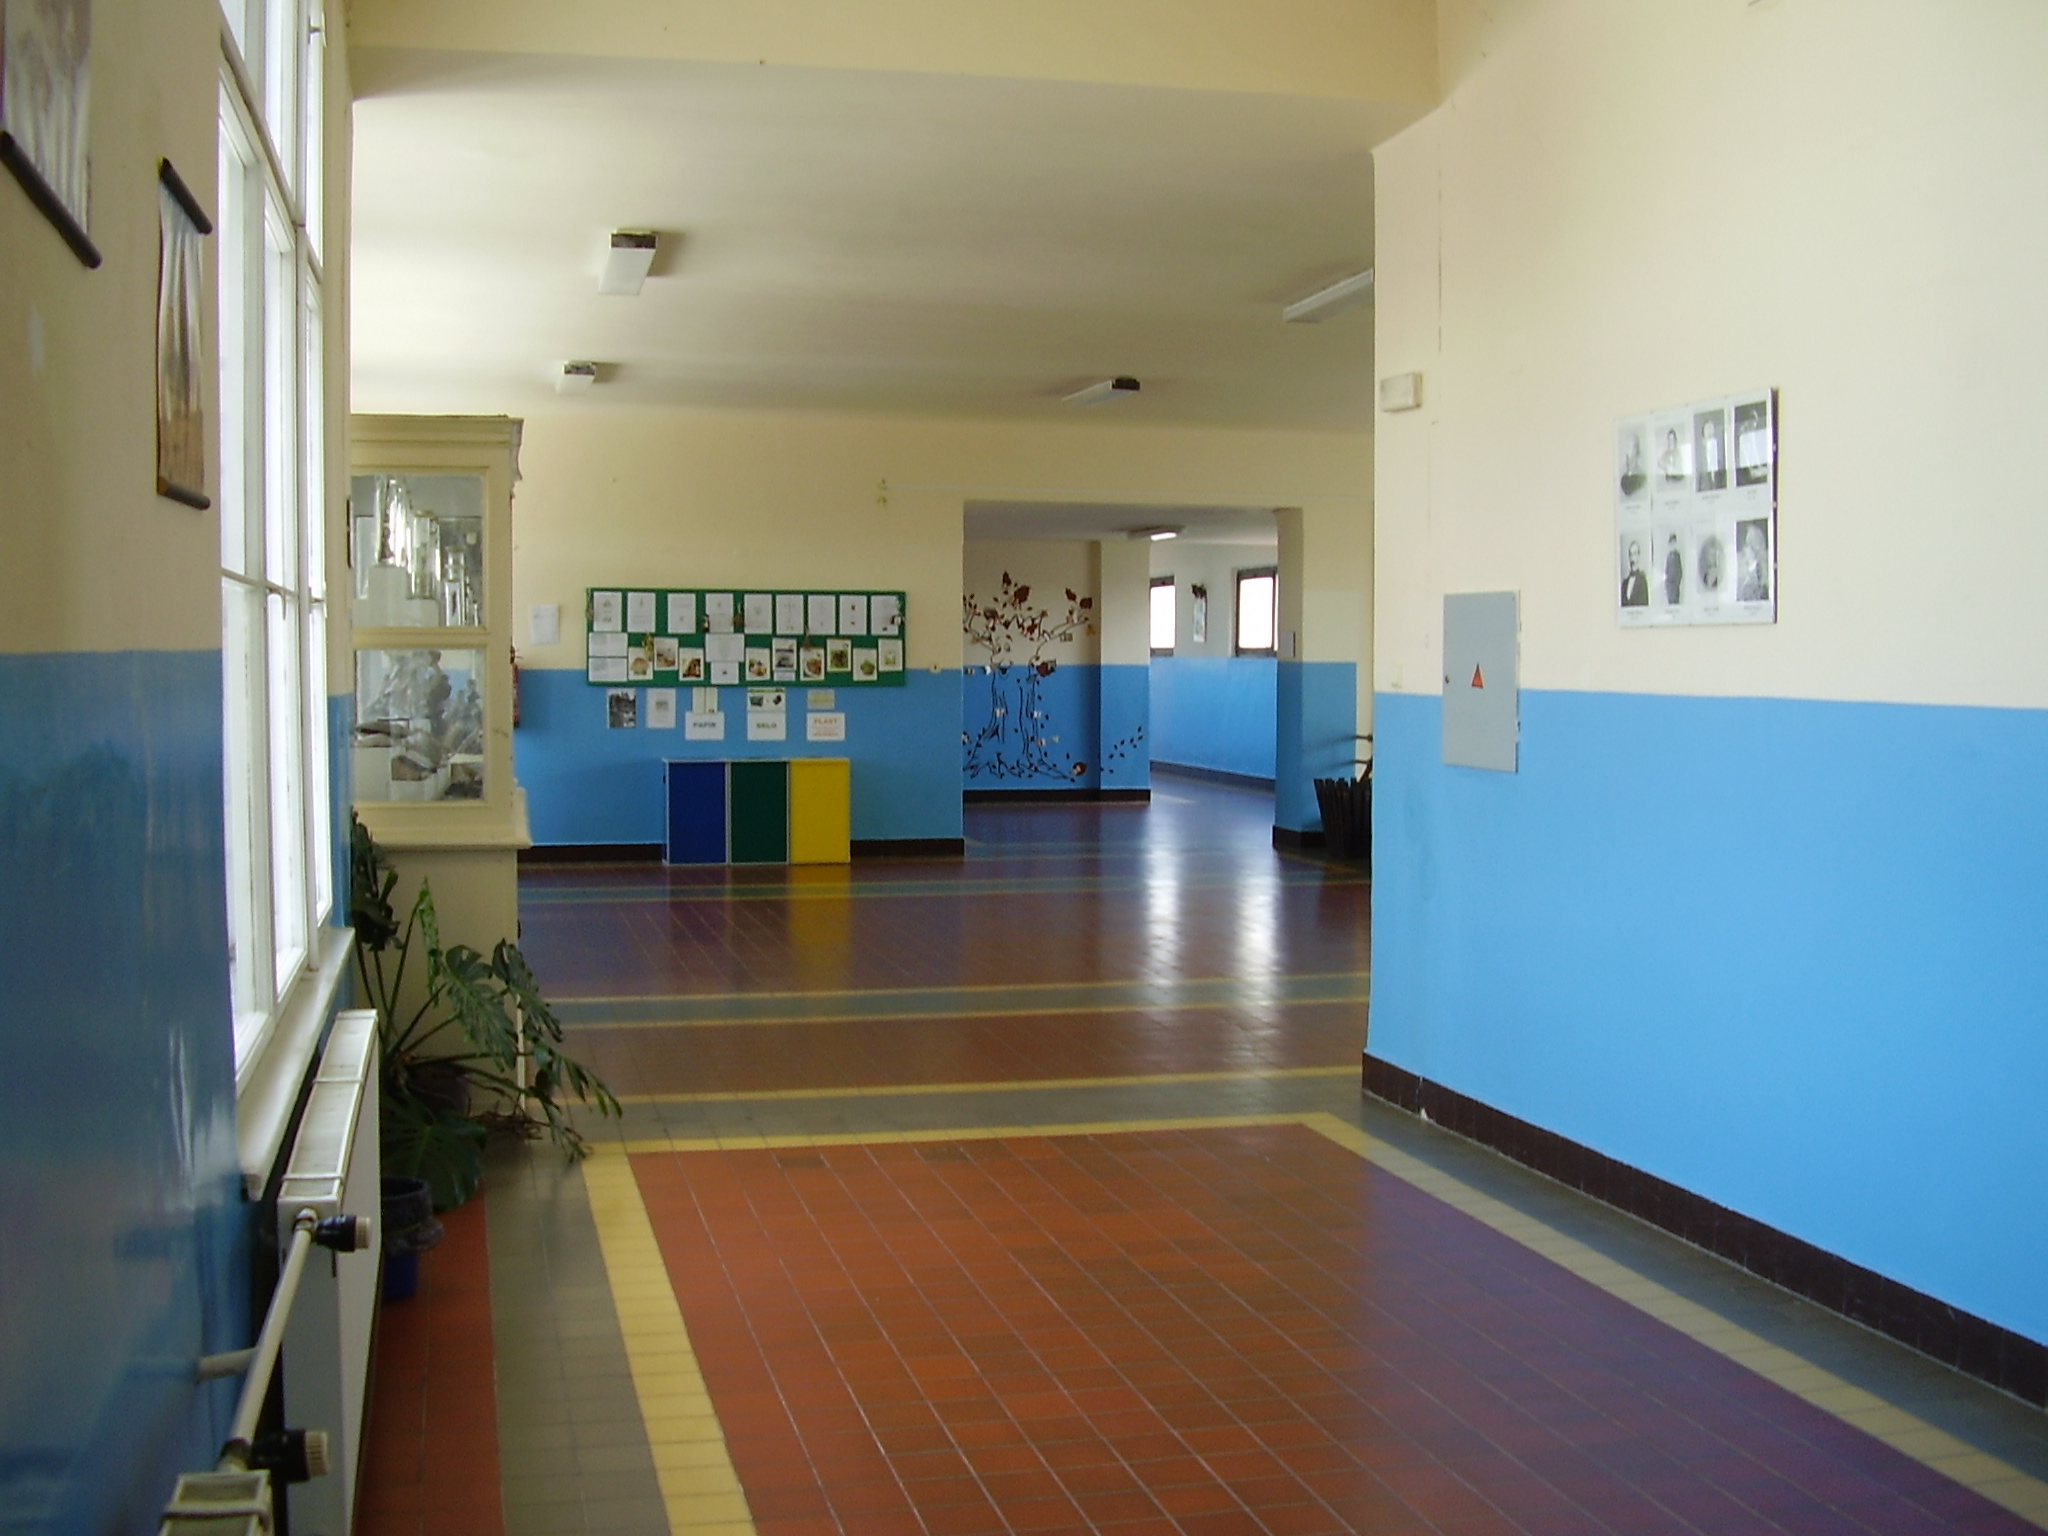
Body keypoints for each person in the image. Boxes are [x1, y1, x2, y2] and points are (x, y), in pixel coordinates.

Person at [1737, 520, 1770, 601]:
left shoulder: (1766, 562)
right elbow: (1741, 594)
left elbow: (1764, 591)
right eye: (1748, 544)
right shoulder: (1740, 563)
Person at [1695, 413, 1728, 492]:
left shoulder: (1722, 467)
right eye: (1709, 437)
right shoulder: (1699, 469)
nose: (1711, 441)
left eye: (1712, 436)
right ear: (1703, 441)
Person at [1621, 540, 1649, 607]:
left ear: (1639, 556)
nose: (1632, 558)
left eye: (1634, 554)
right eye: (1630, 555)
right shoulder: (1624, 583)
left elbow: (1645, 606)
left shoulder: (1642, 581)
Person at [1662, 534, 1683, 606]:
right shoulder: (1668, 556)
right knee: (1670, 603)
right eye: (1671, 543)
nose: (1673, 545)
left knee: (1675, 603)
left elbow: (1680, 571)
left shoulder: (1677, 555)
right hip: (1669, 586)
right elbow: (1666, 570)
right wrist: (1666, 584)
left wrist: (1677, 583)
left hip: (1675, 586)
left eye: (1674, 543)